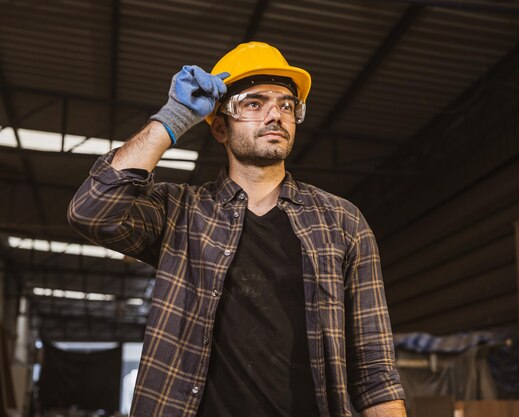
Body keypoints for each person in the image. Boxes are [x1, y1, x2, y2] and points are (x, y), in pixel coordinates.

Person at [68, 42, 406, 417]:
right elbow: (92, 212)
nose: (275, 115)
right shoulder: (181, 212)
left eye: (286, 105)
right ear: (219, 128)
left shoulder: (342, 221)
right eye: (254, 104)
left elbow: (374, 366)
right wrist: (172, 118)